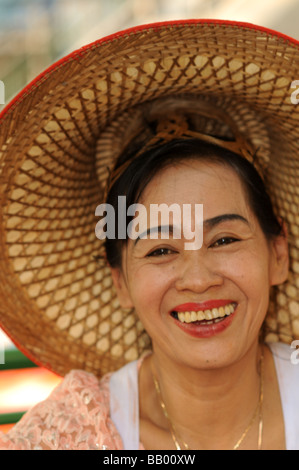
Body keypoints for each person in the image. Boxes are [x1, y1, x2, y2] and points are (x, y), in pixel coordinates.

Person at [0, 19, 298, 450]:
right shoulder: (73, 435)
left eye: (224, 240)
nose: (198, 279)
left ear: (278, 253)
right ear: (121, 280)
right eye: (161, 249)